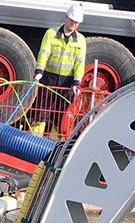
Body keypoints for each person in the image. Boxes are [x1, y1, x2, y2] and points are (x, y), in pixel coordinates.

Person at [31, 3, 88, 135]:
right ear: (66, 17)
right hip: (48, 78)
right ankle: (33, 142)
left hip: (66, 82)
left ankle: (52, 146)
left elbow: (80, 63)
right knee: (41, 112)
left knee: (59, 116)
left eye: (77, 22)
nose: (74, 24)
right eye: (72, 20)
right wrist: (39, 71)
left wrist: (77, 82)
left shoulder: (80, 40)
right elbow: (43, 53)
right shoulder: (51, 34)